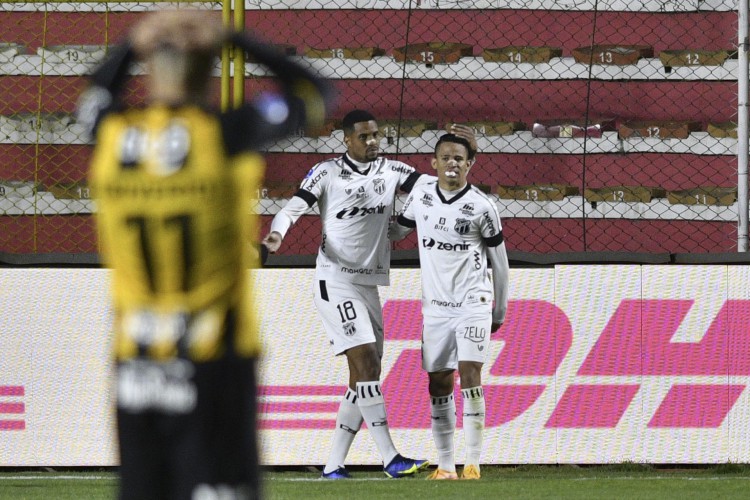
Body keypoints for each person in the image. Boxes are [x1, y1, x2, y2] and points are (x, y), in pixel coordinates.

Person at [78, 10, 333, 499]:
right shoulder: (225, 135)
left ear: (151, 68)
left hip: (138, 364)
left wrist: (132, 44)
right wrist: (233, 38)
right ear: (209, 70)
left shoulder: (110, 136)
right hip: (213, 358)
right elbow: (313, 94)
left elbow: (94, 98)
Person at [262, 110, 477, 478]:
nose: (373, 141)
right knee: (363, 362)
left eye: (377, 135)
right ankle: (390, 457)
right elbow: (293, 207)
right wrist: (276, 235)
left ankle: (333, 464)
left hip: (369, 284)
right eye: (364, 136)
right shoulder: (327, 172)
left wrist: (468, 151)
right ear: (347, 139)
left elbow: (437, 183)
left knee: (367, 373)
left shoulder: (392, 171)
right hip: (334, 280)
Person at [389, 133, 510, 480]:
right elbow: (398, 233)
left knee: (470, 374)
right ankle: (445, 465)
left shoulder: (483, 205)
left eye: (459, 158)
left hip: (473, 302)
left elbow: (499, 262)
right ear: (434, 162)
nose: (453, 163)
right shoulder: (422, 194)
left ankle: (472, 462)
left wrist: (499, 309)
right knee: (438, 382)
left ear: (470, 164)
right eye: (446, 157)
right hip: (436, 307)